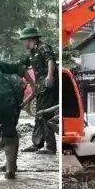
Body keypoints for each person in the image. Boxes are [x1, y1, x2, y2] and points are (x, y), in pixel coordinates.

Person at [15, 27, 59, 155]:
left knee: (46, 115)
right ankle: (37, 143)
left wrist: (50, 75)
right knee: (38, 115)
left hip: (48, 86)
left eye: (24, 40)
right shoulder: (32, 53)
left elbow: (50, 60)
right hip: (40, 87)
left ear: (30, 39)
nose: (23, 43)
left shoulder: (44, 48)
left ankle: (51, 147)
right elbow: (21, 65)